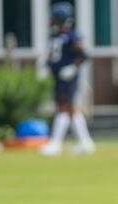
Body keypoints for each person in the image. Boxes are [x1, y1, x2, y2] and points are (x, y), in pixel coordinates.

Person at [40, 2, 95, 156]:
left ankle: (56, 142)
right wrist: (45, 63)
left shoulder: (73, 35)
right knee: (71, 109)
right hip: (58, 77)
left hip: (68, 77)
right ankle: (85, 142)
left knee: (64, 107)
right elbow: (54, 55)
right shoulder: (55, 36)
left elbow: (84, 55)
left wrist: (73, 68)